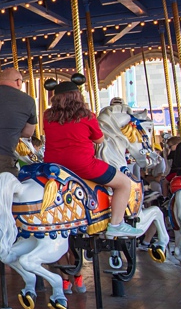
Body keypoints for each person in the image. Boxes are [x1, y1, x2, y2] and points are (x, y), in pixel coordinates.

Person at [41, 81, 134, 230]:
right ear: (77, 96)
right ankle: (116, 224)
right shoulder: (87, 116)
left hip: (54, 166)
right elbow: (99, 139)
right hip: (82, 165)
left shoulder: (47, 116)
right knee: (124, 183)